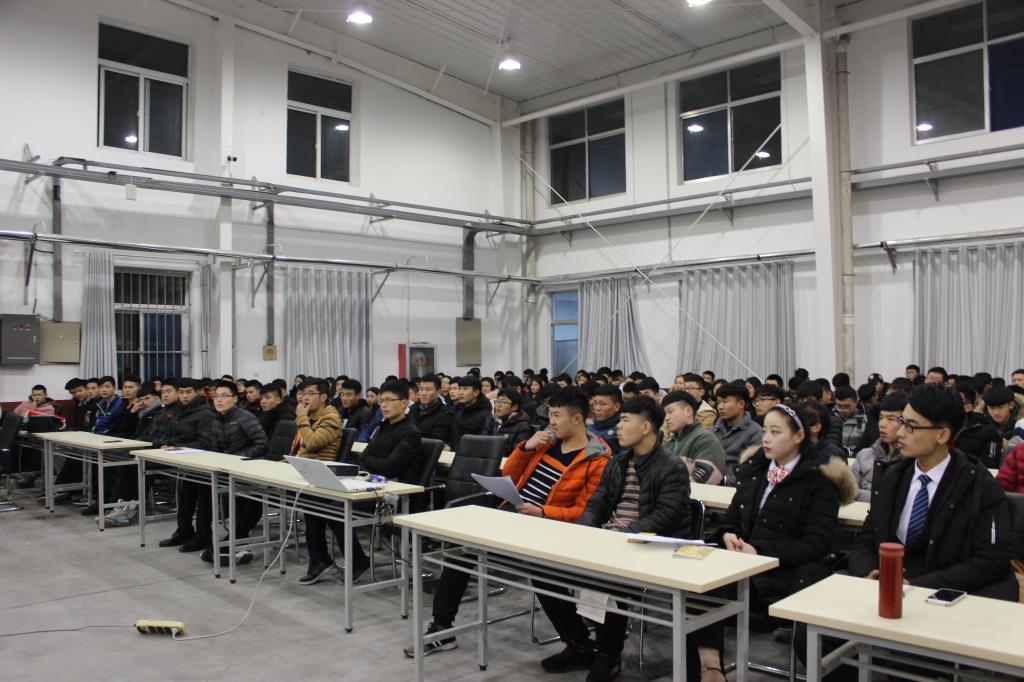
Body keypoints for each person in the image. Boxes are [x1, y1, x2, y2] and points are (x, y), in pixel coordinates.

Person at [407, 387, 612, 658]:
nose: (551, 421)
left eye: (557, 415)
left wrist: (543, 512)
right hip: (515, 517)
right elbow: (509, 475)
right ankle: (441, 629)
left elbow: (586, 512)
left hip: (550, 529)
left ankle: (578, 643)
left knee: (544, 573)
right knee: (460, 550)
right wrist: (525, 448)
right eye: (550, 414)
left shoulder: (596, 459)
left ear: (577, 419)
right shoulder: (546, 443)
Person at [537, 397, 691, 682]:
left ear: (645, 427)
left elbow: (667, 515)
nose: (618, 426)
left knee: (603, 578)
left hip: (648, 544)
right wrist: (585, 530)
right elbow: (597, 503)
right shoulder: (619, 462)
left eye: (625, 420)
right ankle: (578, 643)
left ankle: (608, 655)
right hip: (609, 539)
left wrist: (624, 534)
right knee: (543, 570)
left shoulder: (671, 466)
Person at [848, 384, 1016, 600]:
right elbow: (867, 540)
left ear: (942, 435)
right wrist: (867, 573)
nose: (900, 433)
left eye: (911, 426)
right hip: (888, 592)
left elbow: (990, 560)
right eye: (902, 422)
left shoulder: (980, 486)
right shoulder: (892, 477)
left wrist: (916, 585)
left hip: (947, 597)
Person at [711, 403, 854, 650]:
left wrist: (759, 551)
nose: (766, 438)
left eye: (775, 432)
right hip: (741, 565)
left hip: (783, 573)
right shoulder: (755, 470)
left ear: (799, 436)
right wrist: (728, 535)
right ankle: (710, 662)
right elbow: (731, 520)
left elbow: (816, 544)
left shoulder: (819, 480)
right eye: (765, 431)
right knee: (693, 590)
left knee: (709, 593)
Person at [300, 380, 421, 586]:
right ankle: (319, 560)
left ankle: (358, 561)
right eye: (382, 401)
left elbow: (389, 467)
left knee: (336, 509)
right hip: (372, 484)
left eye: (389, 401)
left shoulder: (410, 432)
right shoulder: (383, 426)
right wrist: (375, 465)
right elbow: (364, 458)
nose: (384, 405)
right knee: (313, 500)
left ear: (404, 403)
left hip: (391, 495)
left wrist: (374, 464)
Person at [198, 380, 268, 564]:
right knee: (202, 487)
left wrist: (236, 459)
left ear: (235, 399)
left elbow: (261, 444)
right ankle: (227, 544)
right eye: (216, 396)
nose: (219, 400)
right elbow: (215, 448)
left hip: (248, 469)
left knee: (249, 502)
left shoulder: (245, 417)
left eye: (224, 396)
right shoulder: (217, 420)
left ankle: (231, 544)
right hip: (227, 470)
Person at [153, 378, 215, 550]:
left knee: (202, 500)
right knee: (184, 497)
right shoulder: (178, 412)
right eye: (181, 392)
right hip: (184, 461)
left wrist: (176, 446)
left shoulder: (205, 414)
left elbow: (205, 442)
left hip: (202, 463)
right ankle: (184, 531)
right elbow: (170, 435)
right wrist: (164, 444)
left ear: (197, 392)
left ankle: (203, 536)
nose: (184, 396)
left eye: (188, 392)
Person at [663, 391, 727, 485]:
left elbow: (701, 480)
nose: (666, 418)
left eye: (670, 412)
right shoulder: (668, 445)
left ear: (688, 411)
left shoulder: (705, 440)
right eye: (665, 414)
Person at [851, 393, 906, 502]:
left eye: (890, 419)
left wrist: (861, 494)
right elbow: (848, 490)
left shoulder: (911, 460)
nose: (882, 424)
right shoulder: (865, 455)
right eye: (881, 418)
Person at [712, 381, 763, 481]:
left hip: (738, 485)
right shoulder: (712, 431)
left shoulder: (755, 432)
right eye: (719, 402)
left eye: (725, 402)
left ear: (741, 404)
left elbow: (753, 469)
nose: (720, 407)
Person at [952, 383, 1003, 468]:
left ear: (967, 407)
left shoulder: (988, 432)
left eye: (953, 402)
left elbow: (989, 467)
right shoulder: (938, 426)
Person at [292, 377, 343, 461]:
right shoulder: (308, 418)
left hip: (317, 465)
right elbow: (296, 450)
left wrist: (302, 416)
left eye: (311, 393)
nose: (305, 398)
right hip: (300, 463)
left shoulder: (332, 418)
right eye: (304, 393)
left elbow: (313, 444)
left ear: (323, 397)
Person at [448, 375, 494, 450]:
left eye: (465, 389)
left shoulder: (486, 416)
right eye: (460, 389)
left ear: (476, 392)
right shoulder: (460, 413)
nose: (461, 392)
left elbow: (482, 444)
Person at [410, 374, 453, 443]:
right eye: (421, 389)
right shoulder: (413, 409)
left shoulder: (445, 415)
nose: (423, 393)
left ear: (438, 392)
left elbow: (434, 444)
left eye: (428, 390)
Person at [492, 388, 535, 456]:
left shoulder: (523, 426)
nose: (498, 405)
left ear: (514, 407)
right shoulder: (492, 420)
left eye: (504, 402)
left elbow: (518, 452)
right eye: (498, 401)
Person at [587, 384, 622, 455]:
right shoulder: (588, 428)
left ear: (616, 406)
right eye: (595, 403)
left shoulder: (622, 430)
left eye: (602, 404)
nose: (597, 408)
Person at [983, 385, 1017, 455]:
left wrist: (1009, 446)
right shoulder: (982, 423)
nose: (996, 412)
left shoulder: (1021, 424)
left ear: (1011, 405)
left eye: (1001, 407)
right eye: (992, 408)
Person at [833, 385, 867, 453]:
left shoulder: (866, 421)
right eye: (839, 406)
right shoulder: (830, 418)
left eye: (846, 406)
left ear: (856, 402)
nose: (843, 410)